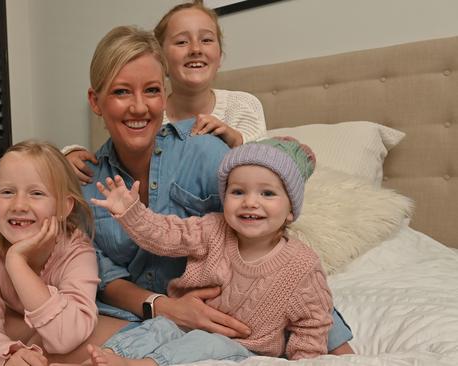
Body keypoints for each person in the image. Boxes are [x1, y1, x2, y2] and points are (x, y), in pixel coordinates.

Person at [49, 24, 352, 364]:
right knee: (45, 332)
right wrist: (162, 307)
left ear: (164, 96)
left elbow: (272, 246)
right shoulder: (84, 182)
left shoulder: (206, 153)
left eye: (151, 90)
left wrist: (341, 348)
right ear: (95, 101)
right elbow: (100, 275)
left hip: (219, 325)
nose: (138, 107)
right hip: (135, 317)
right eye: (121, 92)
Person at [86, 138, 333, 365]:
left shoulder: (302, 265)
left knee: (208, 342)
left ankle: (142, 365)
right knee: (160, 326)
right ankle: (106, 358)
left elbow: (312, 326)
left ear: (291, 210)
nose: (250, 202)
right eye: (238, 192)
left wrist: (307, 362)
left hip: (244, 351)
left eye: (267, 193)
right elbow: (165, 234)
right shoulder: (213, 228)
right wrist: (131, 212)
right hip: (188, 328)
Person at [64, 0, 267, 184]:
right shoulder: (149, 124)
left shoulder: (243, 106)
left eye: (206, 40)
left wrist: (238, 143)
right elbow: (110, 158)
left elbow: (271, 170)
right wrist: (67, 156)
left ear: (220, 55)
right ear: (162, 59)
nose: (196, 49)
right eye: (181, 42)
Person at [0, 140, 100, 366]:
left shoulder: (78, 252)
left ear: (63, 207)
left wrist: (17, 262)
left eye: (36, 193)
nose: (19, 205)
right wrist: (7, 355)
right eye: (7, 192)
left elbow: (66, 337)